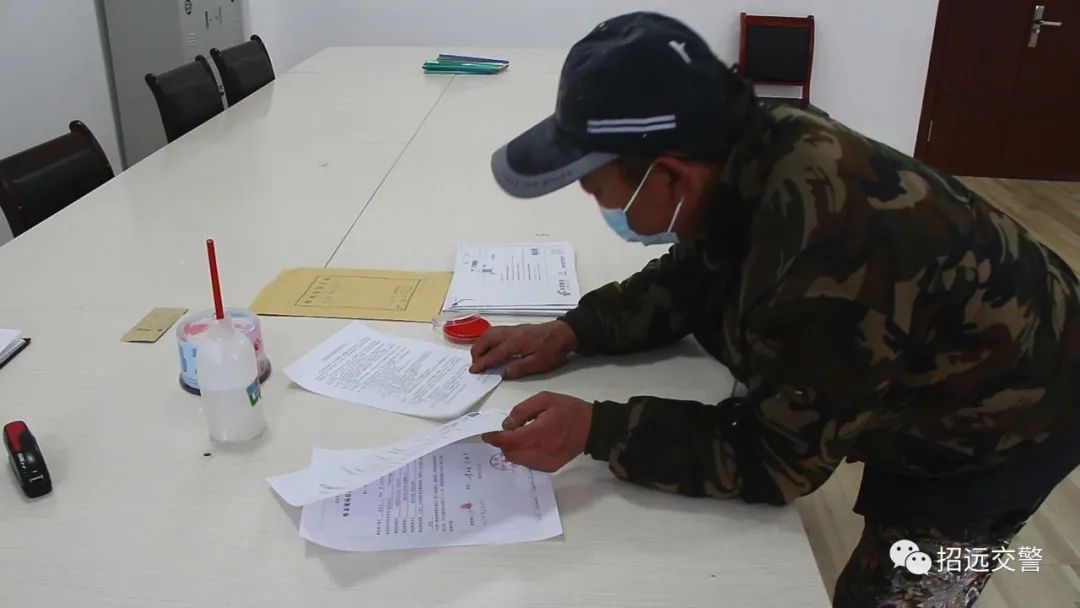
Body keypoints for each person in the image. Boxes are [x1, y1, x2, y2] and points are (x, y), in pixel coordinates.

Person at [472, 12, 1080, 608]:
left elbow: (776, 458)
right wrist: (573, 330)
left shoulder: (825, 252)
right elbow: (692, 276)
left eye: (595, 188)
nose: (598, 202)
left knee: (895, 588)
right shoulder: (743, 149)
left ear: (670, 176)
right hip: (934, 337)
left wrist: (598, 429)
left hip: (1010, 410)